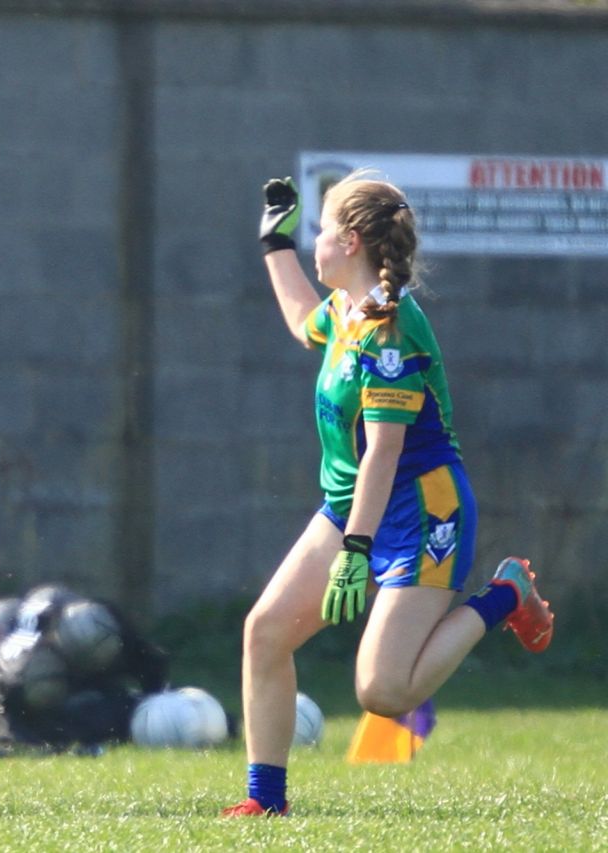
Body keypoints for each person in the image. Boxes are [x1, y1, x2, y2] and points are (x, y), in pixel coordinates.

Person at [221, 172, 554, 817]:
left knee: (384, 692)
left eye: (319, 230)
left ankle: (507, 592)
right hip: (350, 506)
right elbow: (299, 321)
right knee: (264, 632)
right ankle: (266, 802)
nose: (314, 240)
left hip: (425, 511)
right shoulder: (347, 308)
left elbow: (385, 451)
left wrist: (355, 549)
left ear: (349, 241)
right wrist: (274, 245)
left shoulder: (388, 328)